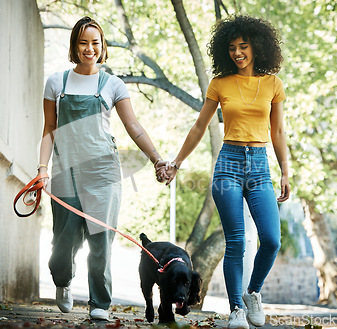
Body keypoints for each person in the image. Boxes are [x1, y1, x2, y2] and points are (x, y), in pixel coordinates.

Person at [158, 15, 290, 329]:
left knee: (271, 239)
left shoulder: (273, 83)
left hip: (259, 165)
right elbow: (199, 127)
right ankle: (236, 310)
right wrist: (176, 163)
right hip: (228, 163)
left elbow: (279, 131)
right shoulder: (220, 83)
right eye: (231, 47)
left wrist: (286, 171)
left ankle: (252, 294)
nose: (237, 52)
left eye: (243, 46)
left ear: (257, 46)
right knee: (237, 241)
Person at [37, 16, 167, 320]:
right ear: (74, 46)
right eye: (83, 42)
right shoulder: (57, 82)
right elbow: (48, 129)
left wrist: (156, 158)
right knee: (63, 243)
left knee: (100, 241)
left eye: (95, 42)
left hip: (103, 173)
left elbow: (133, 125)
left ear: (103, 46)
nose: (89, 48)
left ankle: (99, 304)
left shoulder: (113, 84)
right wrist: (43, 168)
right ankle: (62, 281)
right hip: (65, 173)